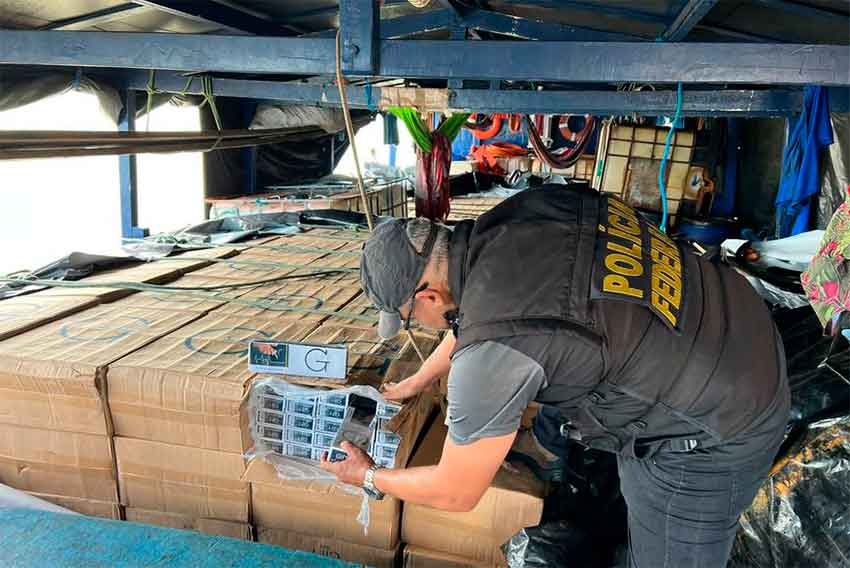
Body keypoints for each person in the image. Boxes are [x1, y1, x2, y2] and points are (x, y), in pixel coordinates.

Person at [320, 185, 790, 567]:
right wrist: (417, 381)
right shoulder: (519, 215)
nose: (419, 326)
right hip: (736, 320)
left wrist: (369, 475)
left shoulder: (488, 355)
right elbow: (481, 320)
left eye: (409, 319)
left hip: (719, 422)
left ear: (427, 297)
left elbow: (456, 490)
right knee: (632, 499)